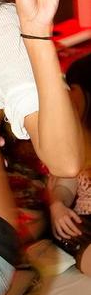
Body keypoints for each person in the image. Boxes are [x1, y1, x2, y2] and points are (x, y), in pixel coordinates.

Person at [48, 53, 91, 275]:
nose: (68, 97)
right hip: (82, 223)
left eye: (72, 88)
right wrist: (57, 206)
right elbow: (64, 189)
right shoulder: (74, 144)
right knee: (68, 228)